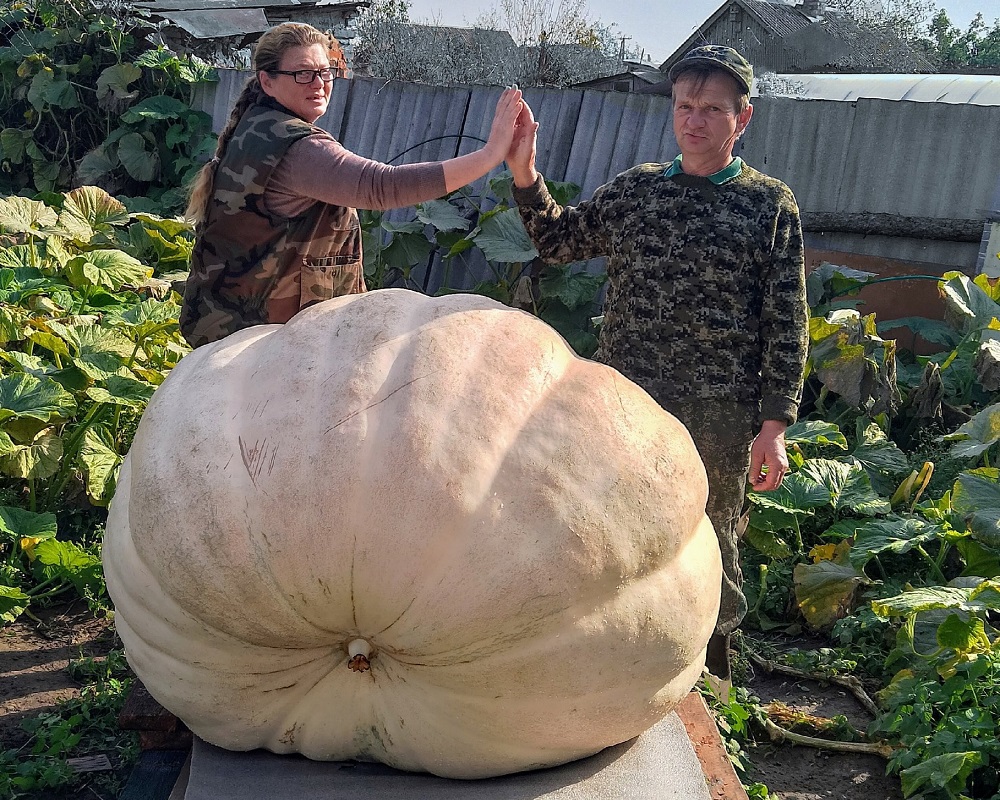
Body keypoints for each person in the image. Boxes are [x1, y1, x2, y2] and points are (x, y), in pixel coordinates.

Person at [505, 45, 809, 685]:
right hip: (625, 402)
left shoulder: (769, 207)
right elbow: (559, 241)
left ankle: (712, 686)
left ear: (742, 119)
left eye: (712, 110)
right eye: (685, 107)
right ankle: (604, 663)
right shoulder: (639, 190)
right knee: (603, 524)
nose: (694, 121)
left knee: (714, 541)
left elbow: (787, 322)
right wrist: (524, 172)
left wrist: (774, 426)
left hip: (720, 415)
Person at [181, 22, 523, 348]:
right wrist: (490, 156)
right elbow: (381, 186)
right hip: (265, 341)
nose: (318, 83)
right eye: (302, 73)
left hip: (225, 321)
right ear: (267, 82)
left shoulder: (259, 127)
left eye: (325, 72)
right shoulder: (298, 147)